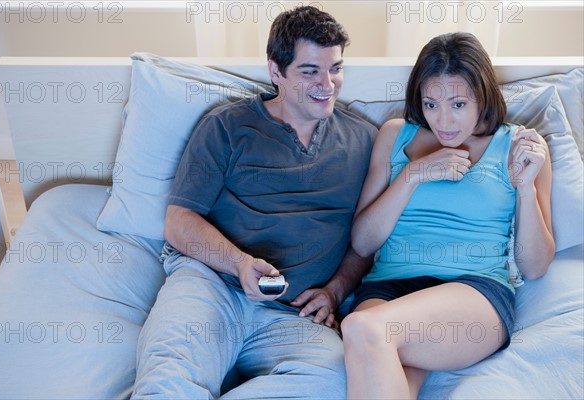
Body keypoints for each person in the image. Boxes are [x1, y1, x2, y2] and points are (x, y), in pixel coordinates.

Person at [132, 6, 377, 399]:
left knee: (336, 381)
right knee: (168, 377)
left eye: (335, 68)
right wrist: (240, 264)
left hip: (293, 313)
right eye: (310, 71)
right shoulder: (226, 127)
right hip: (214, 285)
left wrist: (334, 290)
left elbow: (368, 236)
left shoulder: (364, 140)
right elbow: (179, 221)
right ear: (276, 72)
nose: (327, 84)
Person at [341, 32, 555, 399]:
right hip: (389, 288)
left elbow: (534, 266)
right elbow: (362, 243)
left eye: (458, 104)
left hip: (474, 291)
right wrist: (412, 175)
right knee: (391, 377)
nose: (444, 121)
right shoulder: (396, 137)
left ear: (483, 98)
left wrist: (524, 187)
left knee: (362, 329)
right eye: (430, 104)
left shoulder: (517, 146)